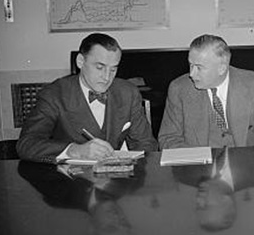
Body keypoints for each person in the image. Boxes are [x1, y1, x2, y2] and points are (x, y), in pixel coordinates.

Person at [16, 33, 158, 163]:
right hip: (70, 184)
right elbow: (27, 144)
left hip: (119, 182)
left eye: (113, 69)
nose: (107, 77)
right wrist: (74, 150)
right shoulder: (54, 94)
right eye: (99, 67)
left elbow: (146, 144)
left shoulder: (128, 92)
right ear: (80, 61)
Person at [158, 34, 254, 149]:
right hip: (199, 168)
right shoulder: (179, 89)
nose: (192, 74)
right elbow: (169, 139)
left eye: (199, 68)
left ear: (222, 68)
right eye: (191, 65)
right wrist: (195, 163)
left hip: (248, 166)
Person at [171, 146, 254, 231]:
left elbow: (171, 137)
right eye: (205, 206)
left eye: (198, 206)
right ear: (226, 201)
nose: (198, 200)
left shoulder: (183, 174)